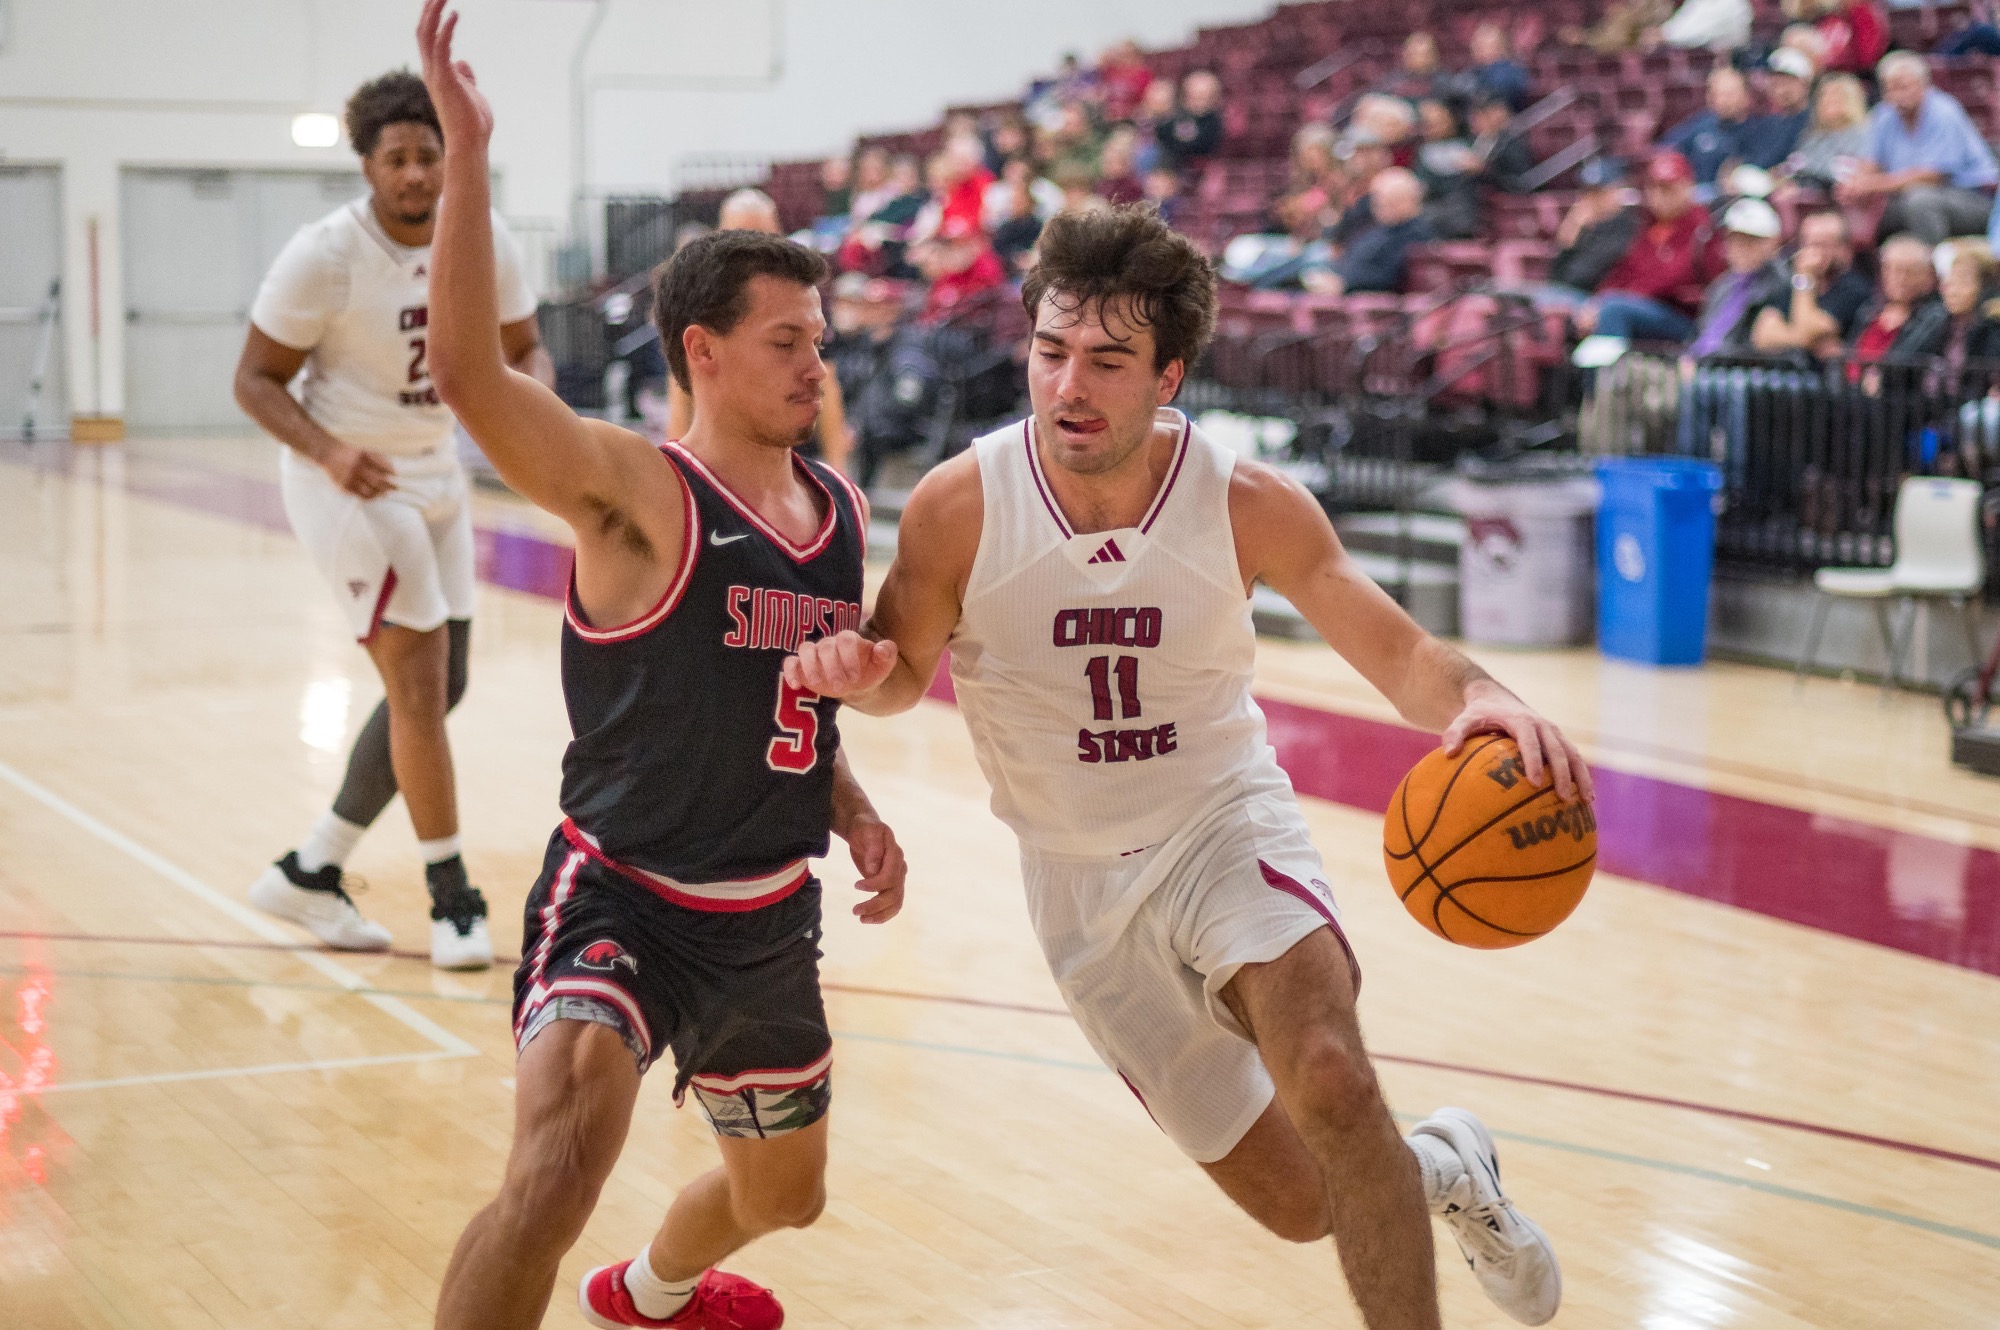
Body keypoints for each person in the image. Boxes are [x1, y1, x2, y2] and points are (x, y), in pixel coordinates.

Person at [788, 204, 1581, 1330]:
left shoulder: (1242, 501)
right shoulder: (961, 504)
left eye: (1106, 361)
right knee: (1305, 1203)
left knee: (1331, 1079)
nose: (1068, 384)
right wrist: (850, 668)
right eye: (1049, 351)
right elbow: (900, 674)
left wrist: (1483, 696)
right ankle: (1443, 1167)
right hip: (1074, 884)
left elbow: (1396, 651)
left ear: (1168, 376)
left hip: (1222, 826)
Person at [414, 9, 908, 1330]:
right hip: (620, 890)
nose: (819, 362)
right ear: (701, 348)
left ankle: (650, 1291)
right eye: (787, 341)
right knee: (558, 1160)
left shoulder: (840, 512)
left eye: (818, 336)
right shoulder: (638, 490)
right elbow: (466, 374)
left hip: (767, 913)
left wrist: (850, 799)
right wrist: (467, 154)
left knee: (785, 1195)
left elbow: (784, 689)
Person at [233, 69, 553, 970]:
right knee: (418, 688)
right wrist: (330, 452)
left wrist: (533, 401)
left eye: (429, 155)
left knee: (443, 688)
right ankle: (452, 898)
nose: (416, 174)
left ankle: (311, 868)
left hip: (436, 471)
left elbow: (524, 345)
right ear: (368, 166)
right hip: (349, 480)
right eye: (398, 159)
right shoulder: (324, 254)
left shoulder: (482, 235)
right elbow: (253, 378)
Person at [669, 189, 853, 474]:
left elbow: (827, 381)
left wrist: (839, 467)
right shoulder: (698, 292)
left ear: (778, 235)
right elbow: (680, 383)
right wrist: (676, 467)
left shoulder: (805, 295)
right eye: (741, 235)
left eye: (760, 235)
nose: (751, 248)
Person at [1837, 52, 2000, 245]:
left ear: (1924, 85)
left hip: (1973, 198)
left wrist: (1873, 184)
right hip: (1907, 195)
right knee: (1860, 206)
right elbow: (1872, 163)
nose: (1897, 95)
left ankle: (1928, 269)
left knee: (1921, 201)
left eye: (1903, 87)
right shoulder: (1884, 114)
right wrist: (1855, 184)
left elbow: (1932, 176)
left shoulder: (1944, 111)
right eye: (1891, 88)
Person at [1577, 150, 1723, 342]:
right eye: (1654, 188)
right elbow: (1623, 272)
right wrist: (1598, 301)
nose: (1660, 196)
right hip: (1640, 310)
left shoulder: (1702, 229)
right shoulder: (1648, 227)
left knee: (1614, 310)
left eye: (1668, 188)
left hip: (1684, 319)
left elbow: (1672, 279)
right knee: (1581, 311)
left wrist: (1619, 299)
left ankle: (1606, 372)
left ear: (1687, 186)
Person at [1750, 209, 1875, 355]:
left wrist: (1805, 276)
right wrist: (1807, 341)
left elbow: (1807, 330)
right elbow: (1762, 336)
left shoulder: (1854, 289)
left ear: (1842, 249)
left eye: (1822, 245)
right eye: (1808, 244)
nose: (1813, 253)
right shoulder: (1791, 283)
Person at [1686, 198, 1790, 356]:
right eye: (1734, 240)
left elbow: (1752, 346)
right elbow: (1700, 333)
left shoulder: (1781, 286)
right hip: (1699, 364)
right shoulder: (1722, 285)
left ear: (1772, 243)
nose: (1740, 249)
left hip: (1736, 371)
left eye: (1750, 241)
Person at [1304, 168, 1433, 296]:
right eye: (1378, 202)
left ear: (1409, 200)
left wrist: (1345, 283)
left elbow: (1388, 276)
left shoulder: (1415, 235)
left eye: (1390, 201)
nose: (1381, 207)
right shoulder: (1379, 229)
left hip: (1366, 300)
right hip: (1340, 283)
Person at [1540, 157, 1645, 309]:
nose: (1590, 200)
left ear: (1616, 191)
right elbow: (1554, 277)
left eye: (1599, 193)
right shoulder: (1586, 226)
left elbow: (1583, 278)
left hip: (1597, 302)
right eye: (1587, 192)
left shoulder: (1628, 227)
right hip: (1566, 296)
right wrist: (1569, 235)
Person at [1849, 232, 1949, 360]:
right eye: (1891, 270)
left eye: (1910, 272)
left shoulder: (1934, 316)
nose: (1900, 279)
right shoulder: (1868, 310)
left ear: (1927, 277)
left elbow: (1904, 362)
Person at [1661, 67, 1761, 192]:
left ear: (1746, 96)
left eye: (1729, 95)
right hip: (1698, 195)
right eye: (1717, 94)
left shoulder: (1759, 130)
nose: (1722, 101)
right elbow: (1667, 148)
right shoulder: (1701, 125)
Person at [1778, 72, 1872, 193]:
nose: (1828, 99)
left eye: (1837, 94)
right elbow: (1793, 168)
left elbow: (1851, 176)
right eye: (1824, 95)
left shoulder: (1864, 135)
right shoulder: (1812, 136)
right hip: (1805, 198)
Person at [1741, 48, 1816, 170]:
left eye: (1787, 83)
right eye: (1775, 84)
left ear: (1805, 84)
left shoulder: (1816, 121)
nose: (1781, 91)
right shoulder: (1768, 124)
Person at [1155, 70, 1224, 169]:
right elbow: (1162, 133)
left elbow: (1202, 145)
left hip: (1199, 168)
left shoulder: (1213, 122)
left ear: (1213, 99)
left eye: (1202, 97)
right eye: (1192, 97)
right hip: (1171, 164)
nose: (1197, 102)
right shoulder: (1178, 116)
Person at [1468, 21, 1533, 112]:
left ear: (1499, 46)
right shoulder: (1474, 72)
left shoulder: (1512, 72)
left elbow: (1502, 95)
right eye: (1475, 43)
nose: (1475, 47)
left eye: (1481, 44)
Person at [1652, 0, 1753, 50]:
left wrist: (1666, 35)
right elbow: (1684, 20)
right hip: (1695, 54)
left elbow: (1700, 30)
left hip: (1730, 59)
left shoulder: (1734, 3)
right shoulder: (1697, 2)